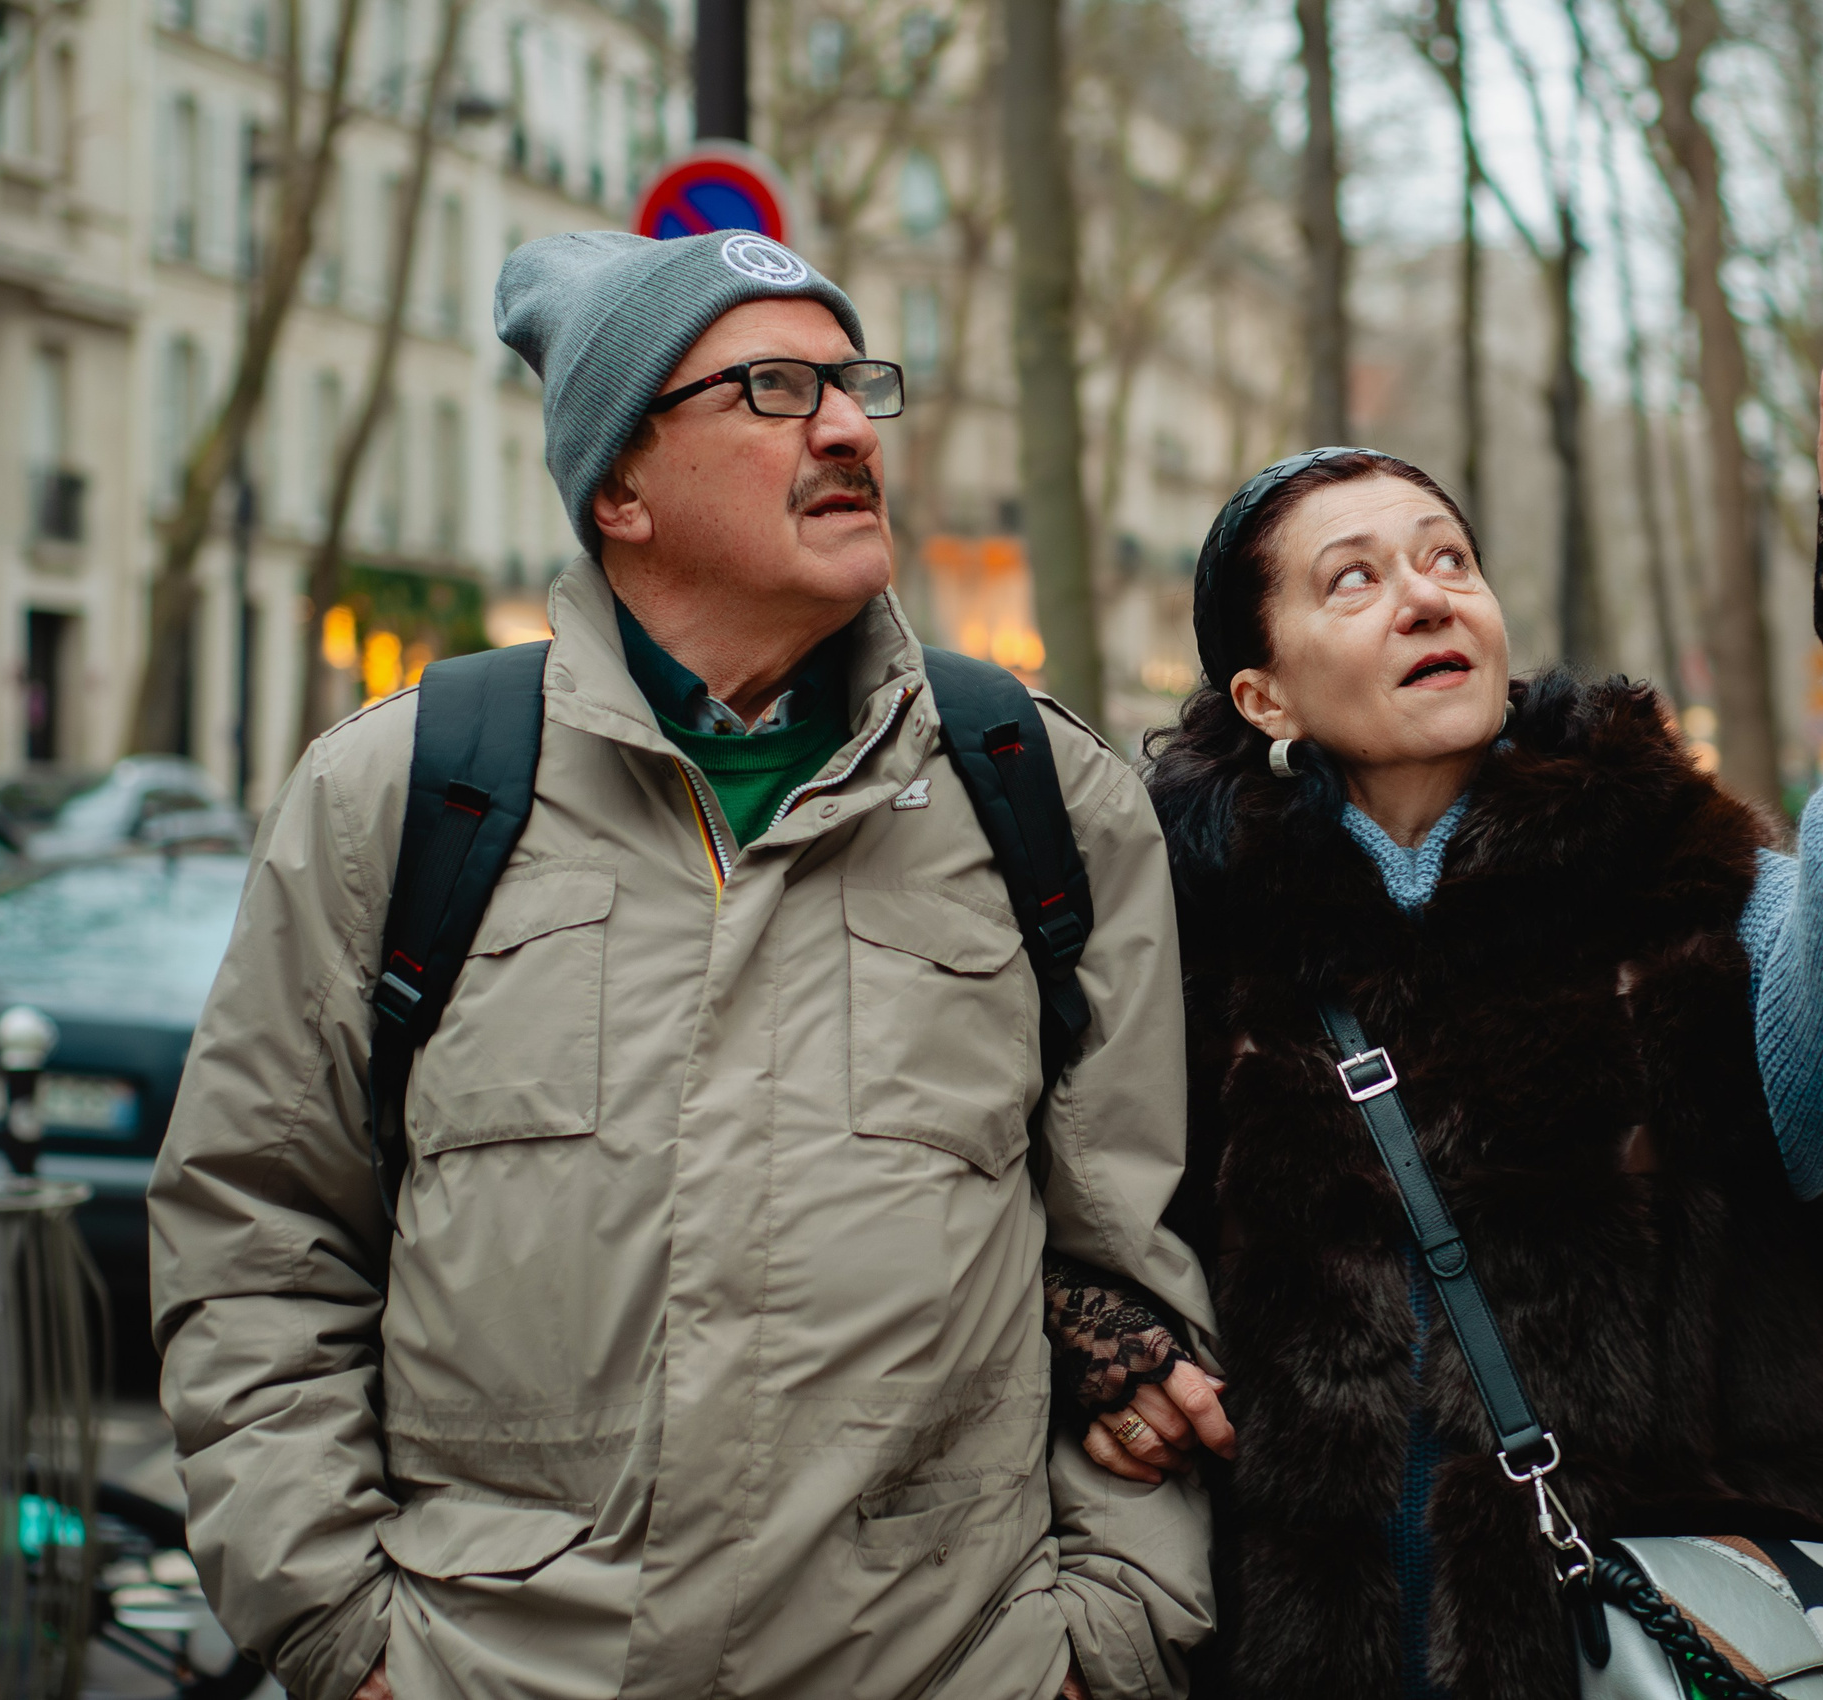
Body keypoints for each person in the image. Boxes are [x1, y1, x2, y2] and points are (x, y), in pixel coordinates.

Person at [147, 228, 1227, 1700]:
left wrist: (1103, 1644)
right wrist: (346, 1639)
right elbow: (255, 1243)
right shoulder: (403, 795)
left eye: (855, 387)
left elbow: (1136, 1263)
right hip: (497, 1667)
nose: (848, 428)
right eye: (775, 389)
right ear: (620, 487)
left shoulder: (1038, 794)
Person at [1064, 366, 1823, 1699]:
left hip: (1664, 1655)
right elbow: (1025, 1213)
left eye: (1448, 560)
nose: (1428, 595)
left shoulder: (1670, 877)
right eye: (1353, 580)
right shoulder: (1183, 949)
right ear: (1264, 699)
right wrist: (1089, 1344)